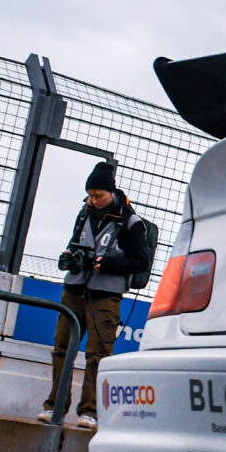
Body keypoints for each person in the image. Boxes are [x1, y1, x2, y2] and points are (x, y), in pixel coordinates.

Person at [43, 163, 144, 428]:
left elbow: (141, 261)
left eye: (98, 195)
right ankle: (54, 407)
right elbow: (74, 242)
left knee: (97, 355)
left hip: (105, 296)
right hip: (74, 290)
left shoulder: (131, 222)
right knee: (62, 350)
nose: (93, 200)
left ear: (111, 193)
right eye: (90, 195)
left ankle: (90, 412)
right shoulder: (83, 213)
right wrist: (69, 257)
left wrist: (109, 264)